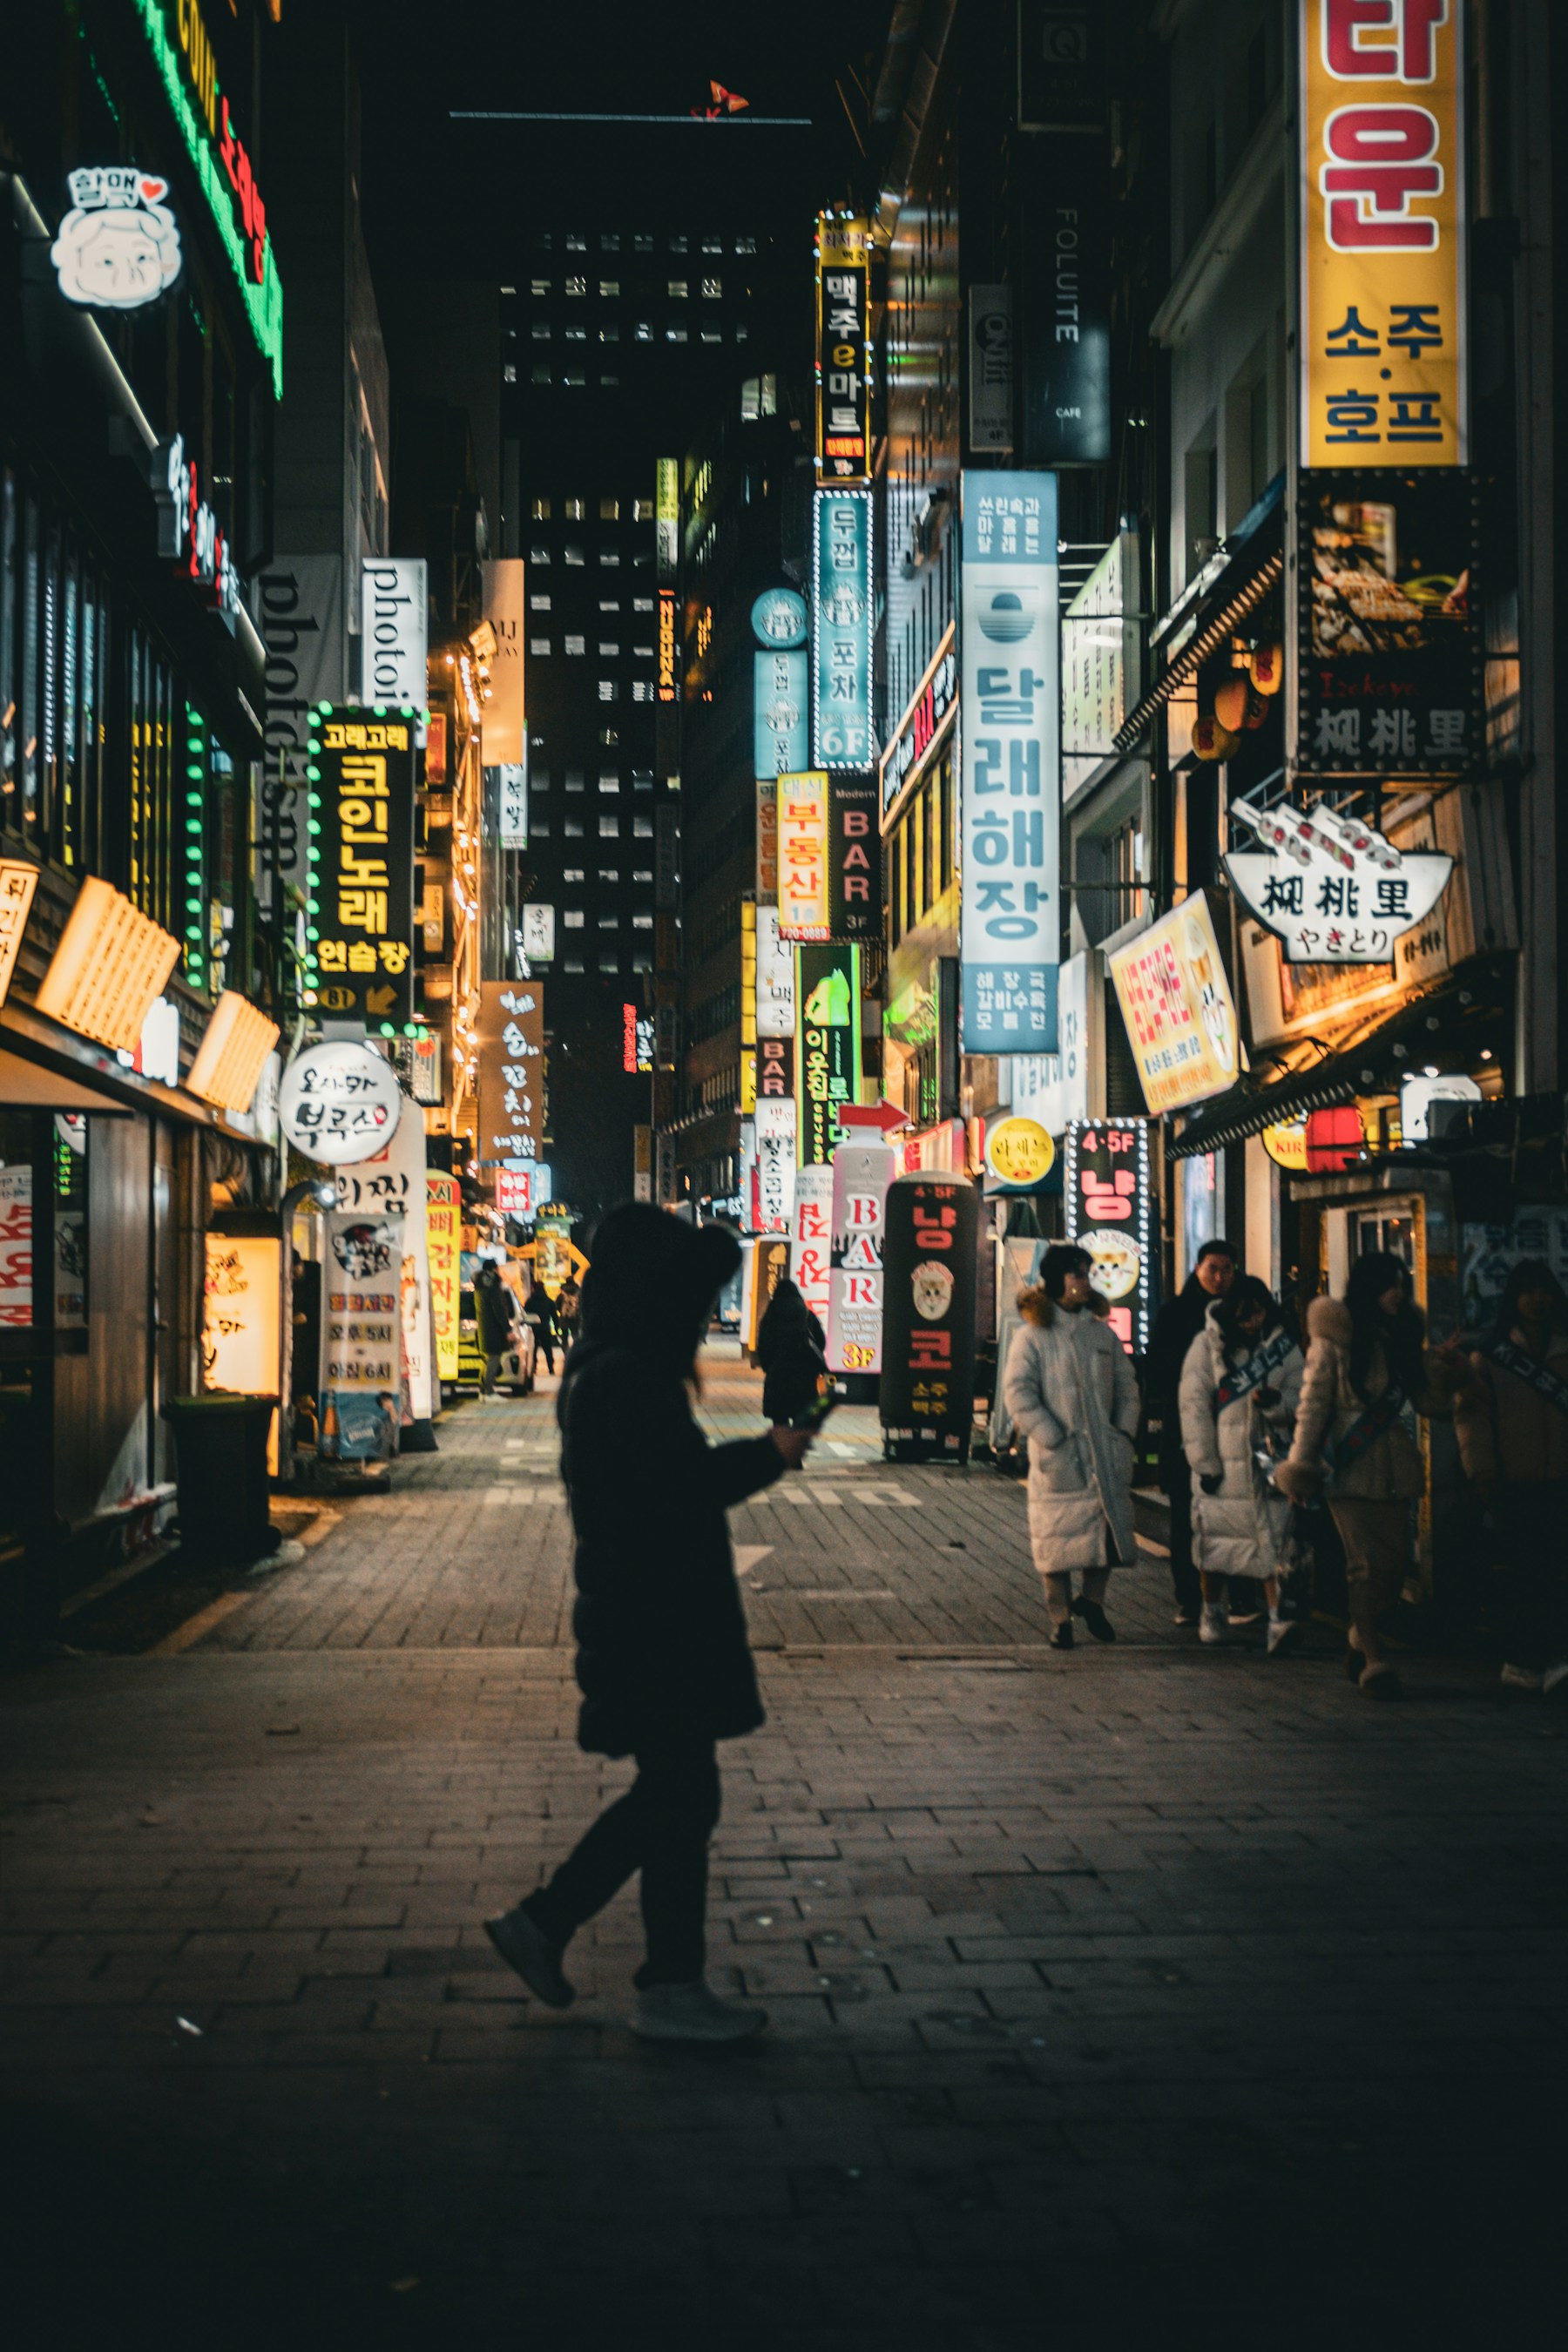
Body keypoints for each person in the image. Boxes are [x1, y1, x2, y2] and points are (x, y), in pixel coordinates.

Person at [483, 1203, 813, 2042]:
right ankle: (616, 1957)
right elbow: (679, 1487)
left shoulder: (607, 1368)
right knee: (679, 1795)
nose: (695, 1321)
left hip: (647, 1618)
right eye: (683, 1303)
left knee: (678, 1796)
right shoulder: (628, 1378)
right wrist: (768, 1454)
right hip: (657, 1624)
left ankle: (623, 1957)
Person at [1278, 1252, 1462, 1699]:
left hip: (1395, 1467)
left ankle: (1360, 1637)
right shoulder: (1334, 1339)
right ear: (1368, 1289)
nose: (1398, 1293)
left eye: (1401, 1284)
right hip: (1348, 1468)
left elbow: (1430, 1405)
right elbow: (1313, 1405)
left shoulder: (1403, 1337)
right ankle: (1376, 1662)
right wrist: (1300, 1467)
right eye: (1389, 1285)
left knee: (1393, 1572)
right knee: (1363, 1568)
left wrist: (1439, 1368)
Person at [1002, 1242, 1141, 1650]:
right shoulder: (1032, 1336)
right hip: (1059, 1457)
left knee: (1108, 1533)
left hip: (1105, 1452)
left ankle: (1093, 1602)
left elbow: (1127, 1388)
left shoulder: (1102, 1333)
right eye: (1077, 1273)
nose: (1084, 1280)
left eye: (1086, 1273)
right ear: (1056, 1279)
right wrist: (1051, 1436)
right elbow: (1018, 1392)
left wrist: (1123, 1433)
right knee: (1055, 1542)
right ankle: (1060, 1619)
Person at [1453, 1258, 1568, 1697]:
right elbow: (1472, 1417)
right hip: (1513, 1482)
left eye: (1544, 1291)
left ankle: (1551, 1658)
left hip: (1561, 1480)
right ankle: (1525, 1659)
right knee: (1525, 1572)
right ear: (1513, 1299)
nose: (1537, 1300)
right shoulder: (1492, 1356)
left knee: (1556, 1570)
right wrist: (1482, 1472)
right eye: (1527, 1291)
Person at [1179, 1274, 1305, 1653]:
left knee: (1275, 1543)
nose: (1253, 1322)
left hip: (1269, 1462)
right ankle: (1212, 1610)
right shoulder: (1206, 1346)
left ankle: (1278, 1620)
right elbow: (1193, 1406)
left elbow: (1301, 1396)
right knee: (1216, 1544)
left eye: (1259, 1313)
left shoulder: (1283, 1347)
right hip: (1223, 1464)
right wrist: (1205, 1462)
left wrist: (1277, 1404)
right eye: (1245, 1315)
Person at [1144, 1239, 1239, 1625]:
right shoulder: (1176, 1312)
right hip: (1185, 1429)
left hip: (1234, 1432)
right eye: (1212, 1268)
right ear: (1197, 1268)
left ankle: (1237, 1597)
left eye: (1227, 1269)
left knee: (1235, 1514)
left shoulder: (1244, 1312)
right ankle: (1189, 1597)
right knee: (1186, 1517)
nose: (1219, 1277)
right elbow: (1157, 1370)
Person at [755, 1275, 828, 1426]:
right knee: (800, 1420)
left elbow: (763, 1347)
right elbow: (821, 1342)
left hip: (778, 1376)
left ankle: (781, 1441)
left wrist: (769, 1367)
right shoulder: (808, 1316)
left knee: (779, 1421)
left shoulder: (770, 1318)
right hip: (804, 1378)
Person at [475, 1259, 518, 1396]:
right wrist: (508, 1330)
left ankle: (483, 1390)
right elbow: (498, 1309)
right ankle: (488, 1391)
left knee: (489, 1360)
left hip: (484, 1328)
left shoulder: (480, 1284)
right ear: (494, 1269)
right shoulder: (492, 1285)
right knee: (494, 1358)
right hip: (493, 1328)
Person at [524, 1277, 558, 1375]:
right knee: (547, 1348)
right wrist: (556, 1328)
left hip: (533, 1328)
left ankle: (534, 1367)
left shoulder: (529, 1301)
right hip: (545, 1327)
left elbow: (525, 1315)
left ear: (533, 1289)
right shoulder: (549, 1301)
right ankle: (551, 1368)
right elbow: (554, 1316)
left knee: (533, 1349)